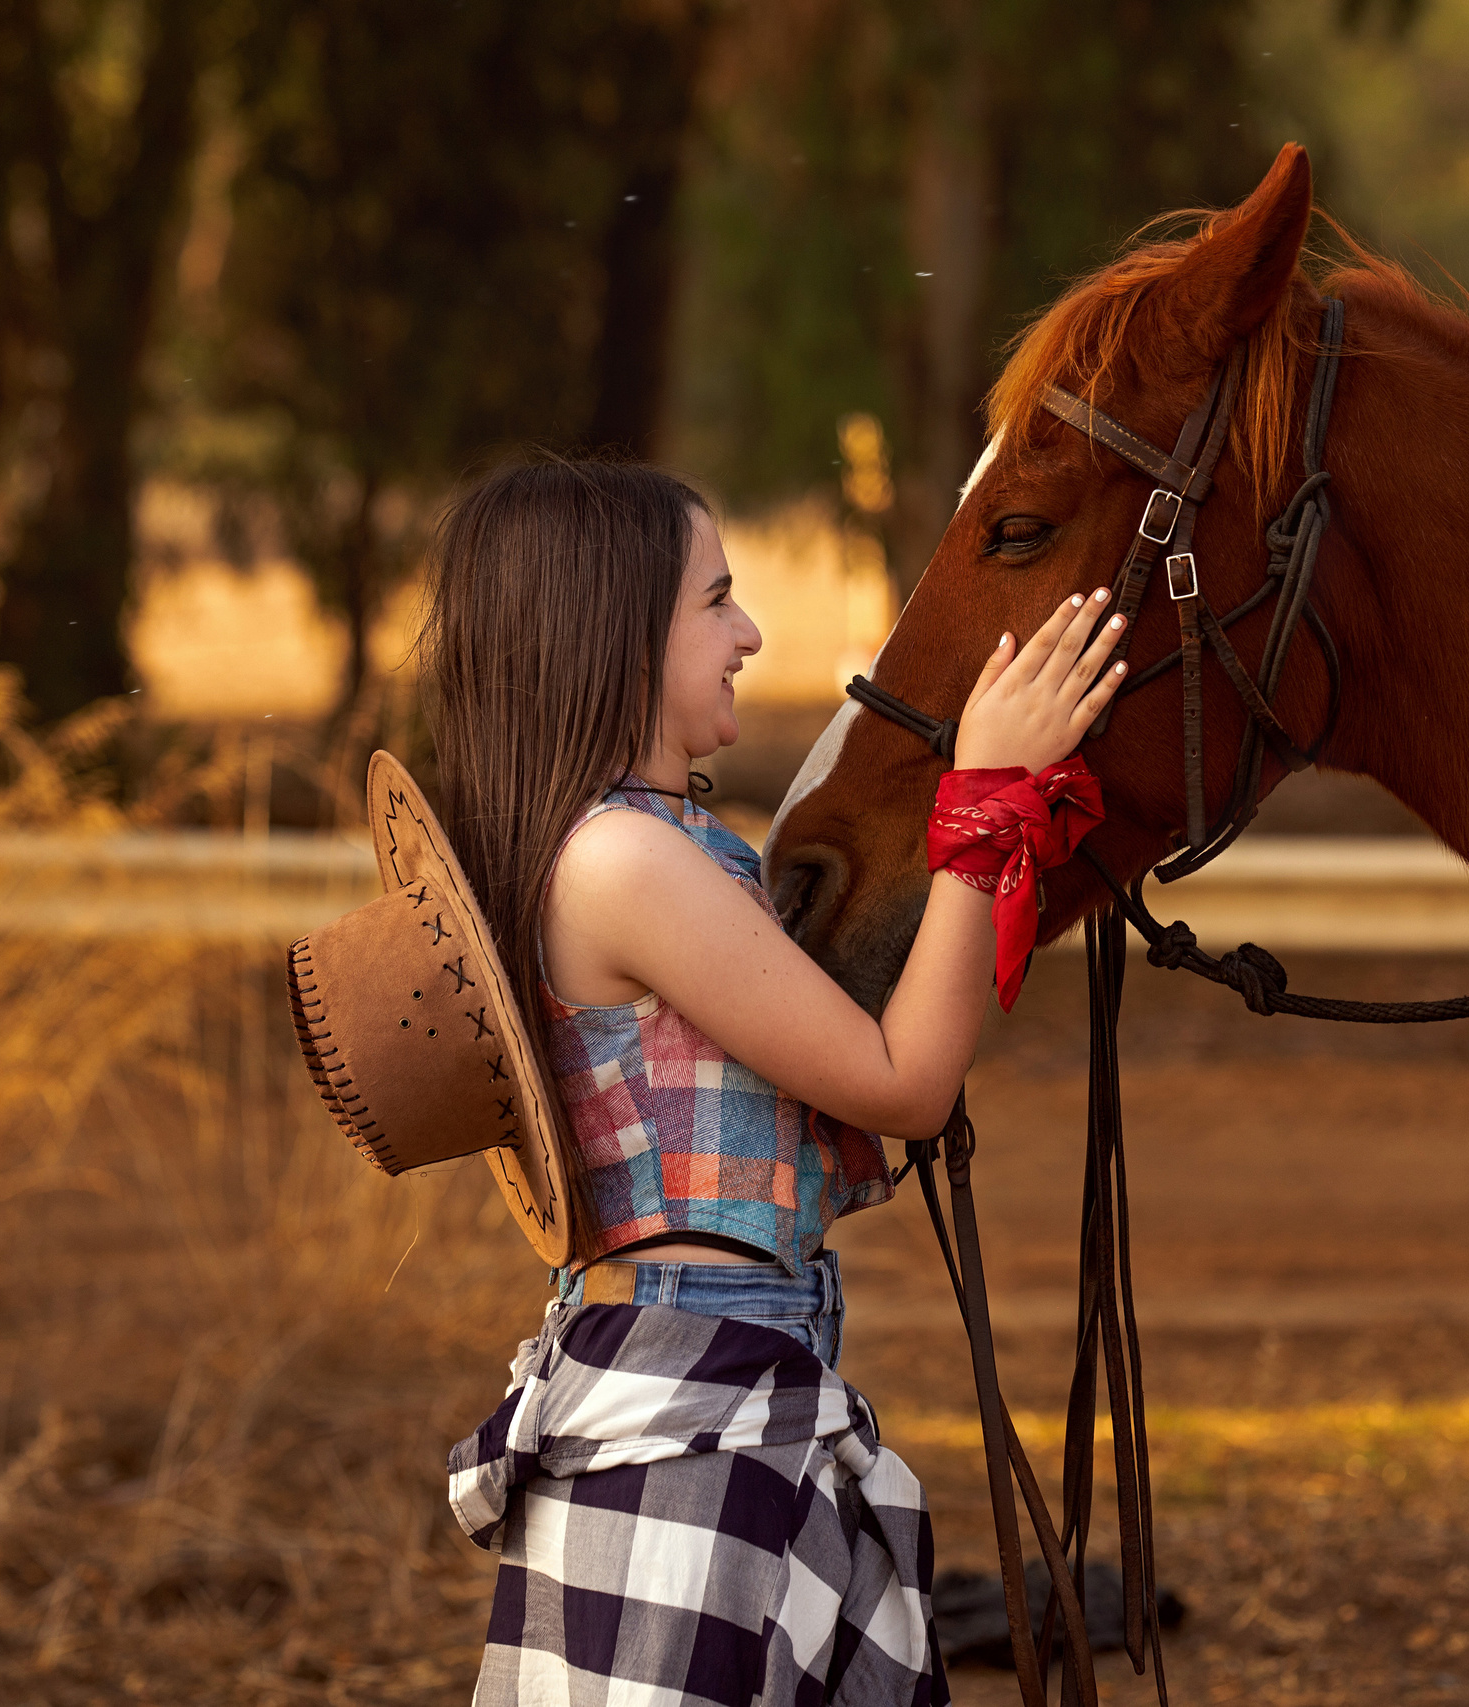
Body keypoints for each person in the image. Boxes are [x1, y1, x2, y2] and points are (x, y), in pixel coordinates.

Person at [423, 453, 1124, 1705]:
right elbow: (905, 1084)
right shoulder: (623, 866)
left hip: (742, 1377)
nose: (749, 633)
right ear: (620, 635)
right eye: (716, 601)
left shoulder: (669, 849)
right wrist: (979, 796)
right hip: (691, 1400)